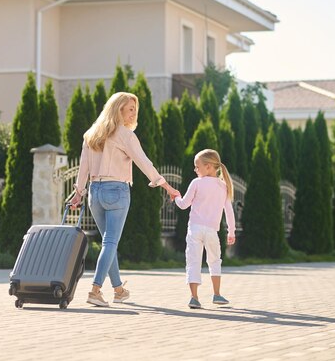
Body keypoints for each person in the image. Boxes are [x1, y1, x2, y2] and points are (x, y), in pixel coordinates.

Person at [70, 91, 178, 307]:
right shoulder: (125, 135)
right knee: (110, 243)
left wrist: (78, 193)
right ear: (117, 109)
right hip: (116, 191)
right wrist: (165, 185)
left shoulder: (91, 134)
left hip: (95, 194)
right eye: (130, 109)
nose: (133, 114)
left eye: (135, 110)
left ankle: (118, 290)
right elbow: (143, 162)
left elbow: (84, 168)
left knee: (108, 244)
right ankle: (95, 290)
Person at [172, 149, 236, 309]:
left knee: (193, 261)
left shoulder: (196, 183)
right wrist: (231, 231)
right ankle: (217, 294)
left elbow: (184, 204)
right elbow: (229, 211)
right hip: (212, 231)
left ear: (208, 167)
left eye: (197, 166)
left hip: (195, 230)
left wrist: (176, 197)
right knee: (215, 261)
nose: (195, 169)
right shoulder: (223, 186)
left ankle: (194, 298)